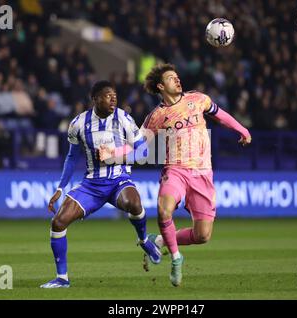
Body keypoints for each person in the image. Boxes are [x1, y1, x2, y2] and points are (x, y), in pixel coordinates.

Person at [101, 63, 252, 287]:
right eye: (172, 78)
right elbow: (140, 148)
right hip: (176, 170)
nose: (178, 80)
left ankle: (160, 240)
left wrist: (242, 128)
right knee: (164, 210)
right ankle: (176, 257)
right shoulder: (157, 116)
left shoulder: (199, 99)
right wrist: (113, 152)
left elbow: (220, 115)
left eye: (177, 77)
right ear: (161, 86)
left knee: (202, 236)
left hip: (202, 174)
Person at [40, 81, 161, 288]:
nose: (113, 98)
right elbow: (71, 158)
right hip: (91, 186)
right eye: (107, 95)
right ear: (95, 99)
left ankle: (143, 240)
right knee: (58, 222)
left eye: (114, 95)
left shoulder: (123, 118)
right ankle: (62, 279)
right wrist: (60, 188)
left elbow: (143, 153)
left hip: (118, 180)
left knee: (134, 203)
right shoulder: (78, 123)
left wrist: (115, 157)